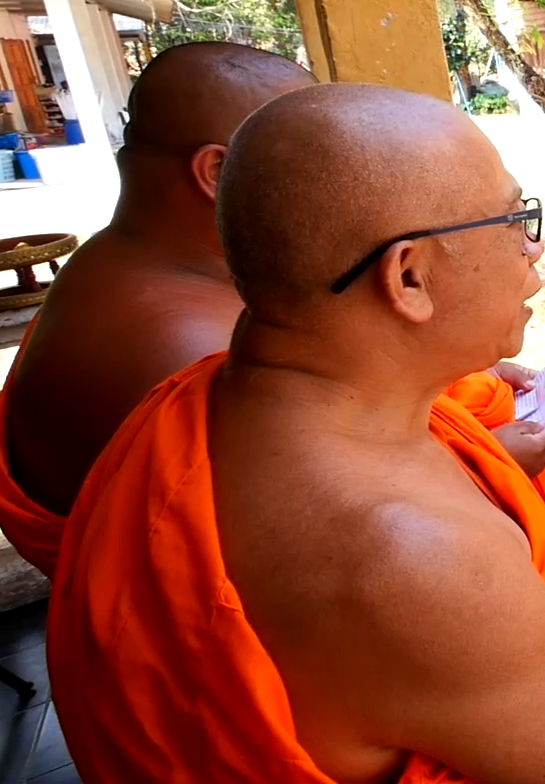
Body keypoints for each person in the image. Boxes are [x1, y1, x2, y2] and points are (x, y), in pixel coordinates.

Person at [49, 84, 545, 783]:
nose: (534, 250)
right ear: (409, 277)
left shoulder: (215, 405)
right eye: (515, 221)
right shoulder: (404, 556)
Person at [0, 44, 545, 577]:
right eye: (309, 144)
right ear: (218, 173)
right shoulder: (179, 346)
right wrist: (484, 470)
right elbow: (310, 546)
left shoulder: (145, 263)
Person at [0, 43, 315, 574]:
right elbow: (310, 553)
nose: (345, 171)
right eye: (321, 152)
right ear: (218, 171)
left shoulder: (114, 261)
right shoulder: (190, 349)